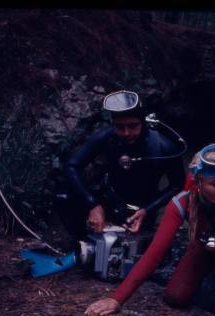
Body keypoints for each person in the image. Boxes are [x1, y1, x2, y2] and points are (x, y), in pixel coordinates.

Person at [84, 143, 215, 316]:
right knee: (175, 297)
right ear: (199, 183)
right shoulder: (181, 203)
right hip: (204, 246)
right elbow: (154, 254)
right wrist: (117, 298)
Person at [54, 90, 185, 251]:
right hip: (110, 201)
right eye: (119, 127)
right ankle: (82, 245)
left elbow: (178, 184)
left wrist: (147, 210)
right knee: (63, 197)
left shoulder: (163, 146)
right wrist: (93, 204)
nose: (126, 133)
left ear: (142, 122)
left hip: (142, 211)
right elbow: (71, 166)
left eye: (132, 126)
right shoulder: (107, 137)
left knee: (132, 252)